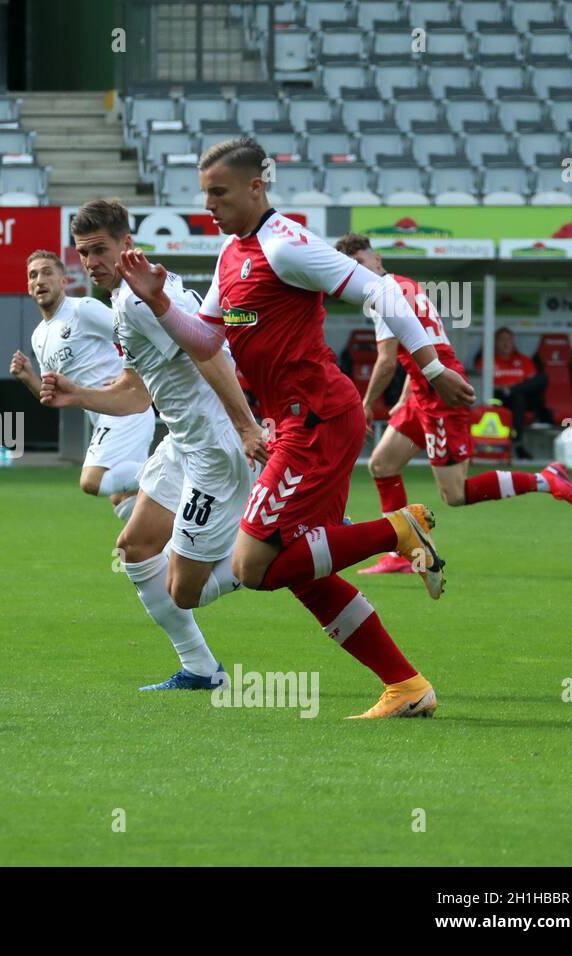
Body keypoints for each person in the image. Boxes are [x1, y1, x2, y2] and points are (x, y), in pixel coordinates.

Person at [126, 136, 478, 719]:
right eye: (203, 193)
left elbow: (381, 291)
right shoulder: (231, 254)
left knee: (251, 567)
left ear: (256, 187)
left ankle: (399, 529)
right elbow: (209, 340)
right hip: (298, 424)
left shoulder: (285, 245)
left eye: (219, 192)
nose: (208, 204)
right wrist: (162, 303)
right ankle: (407, 686)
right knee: (304, 569)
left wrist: (433, 365)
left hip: (316, 422)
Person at [40, 200, 258, 691]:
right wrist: (78, 395)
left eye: (101, 250)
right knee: (135, 549)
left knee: (184, 591)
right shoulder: (130, 296)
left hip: (213, 452)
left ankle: (273, 550)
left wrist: (245, 427)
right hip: (181, 444)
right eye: (83, 253)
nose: (92, 262)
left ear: (127, 246)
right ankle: (202, 670)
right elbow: (136, 391)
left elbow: (210, 355)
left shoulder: (139, 300)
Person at [339, 236, 572, 574]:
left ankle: (546, 479)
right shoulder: (406, 285)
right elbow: (420, 348)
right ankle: (401, 553)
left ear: (377, 259)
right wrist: (403, 399)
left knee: (455, 494)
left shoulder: (384, 295)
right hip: (424, 391)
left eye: (360, 261)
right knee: (382, 465)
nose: (358, 268)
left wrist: (366, 404)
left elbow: (386, 362)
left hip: (442, 395)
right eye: (351, 265)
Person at [9, 250, 155, 520]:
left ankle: (173, 470)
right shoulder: (39, 336)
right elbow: (53, 394)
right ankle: (166, 549)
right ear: (29, 287)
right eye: (33, 275)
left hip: (123, 408)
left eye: (47, 272)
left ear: (63, 281)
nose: (39, 280)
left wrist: (131, 376)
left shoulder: (82, 309)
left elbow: (133, 333)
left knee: (92, 481)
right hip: (103, 417)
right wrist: (28, 376)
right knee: (123, 502)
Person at [476, 328, 549, 460]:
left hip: (524, 398)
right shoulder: (487, 360)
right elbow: (483, 385)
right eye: (502, 340)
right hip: (499, 399)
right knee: (517, 398)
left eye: (509, 340)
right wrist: (503, 388)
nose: (506, 343)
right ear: (495, 342)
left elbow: (533, 383)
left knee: (541, 378)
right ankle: (519, 444)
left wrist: (513, 388)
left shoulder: (523, 360)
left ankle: (513, 391)